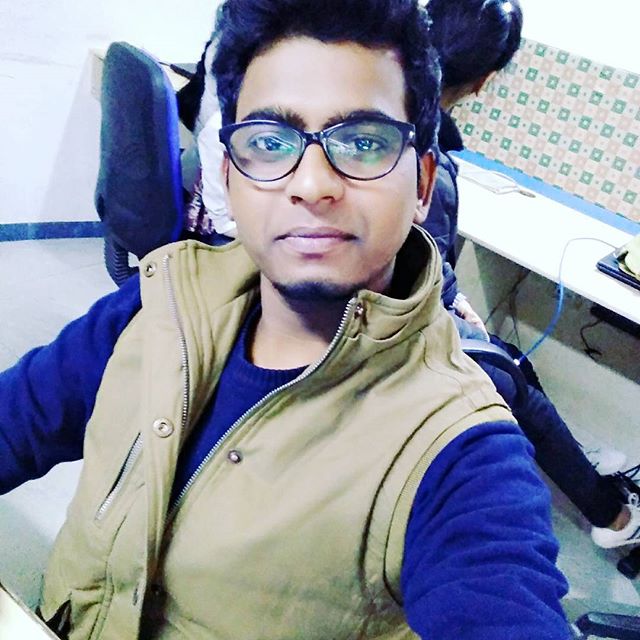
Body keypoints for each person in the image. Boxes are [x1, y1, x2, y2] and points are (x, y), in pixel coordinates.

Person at [0, 0, 573, 638]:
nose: (311, 185)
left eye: (364, 142)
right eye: (270, 143)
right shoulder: (158, 304)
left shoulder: (460, 451)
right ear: (229, 176)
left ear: (422, 185)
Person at [424, 0, 640, 549]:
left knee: (515, 363)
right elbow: (410, 253)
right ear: (485, 81)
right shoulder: (428, 157)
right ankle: (614, 518)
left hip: (387, 312)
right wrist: (448, 298)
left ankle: (586, 465)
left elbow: (416, 251)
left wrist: (452, 294)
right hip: (398, 335)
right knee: (517, 386)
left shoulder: (394, 118)